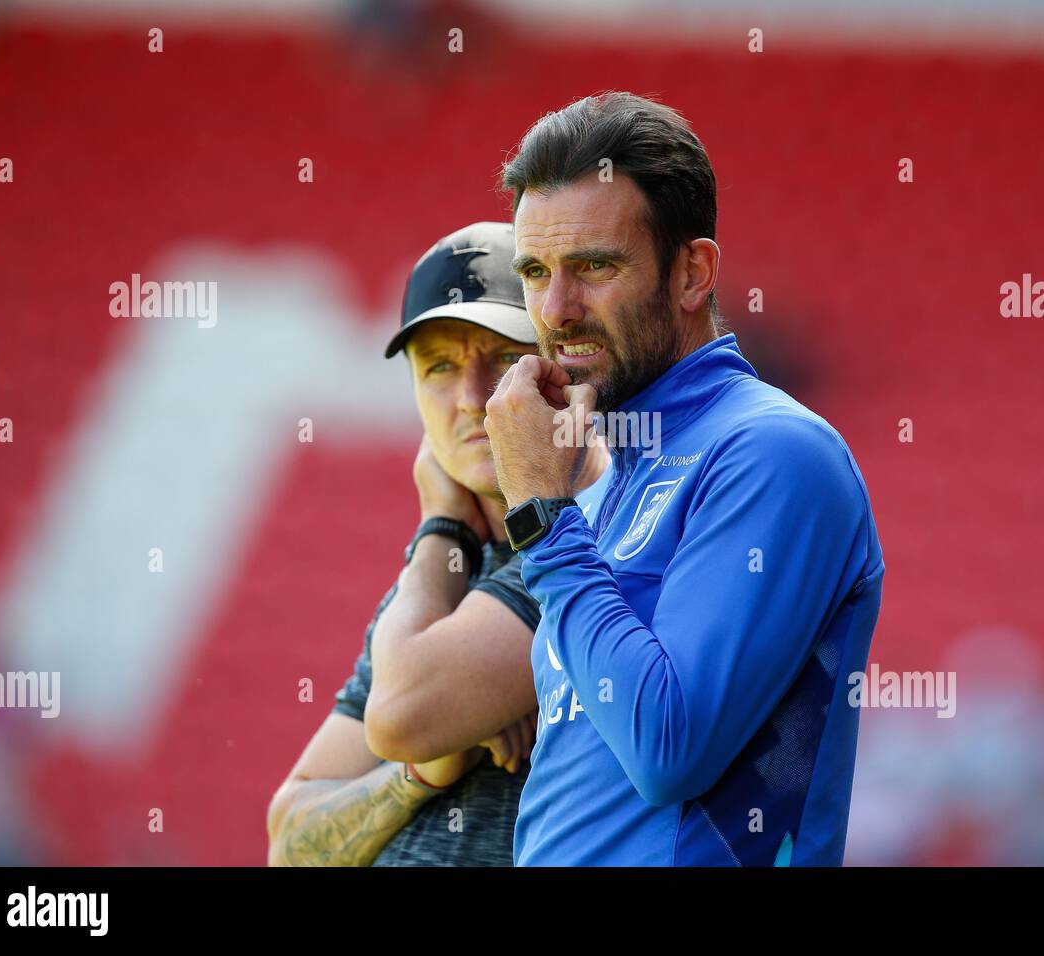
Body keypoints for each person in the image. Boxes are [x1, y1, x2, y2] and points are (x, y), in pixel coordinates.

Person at [484, 92, 884, 866]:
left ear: (693, 272)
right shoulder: (602, 477)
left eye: (595, 266)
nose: (556, 309)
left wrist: (538, 511)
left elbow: (668, 749)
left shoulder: (773, 454)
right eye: (535, 271)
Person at [267, 221, 604, 866]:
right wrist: (420, 772)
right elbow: (289, 845)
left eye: (504, 358)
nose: (471, 400)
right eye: (440, 368)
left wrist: (441, 524)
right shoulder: (443, 577)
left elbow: (400, 711)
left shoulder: (596, 537)